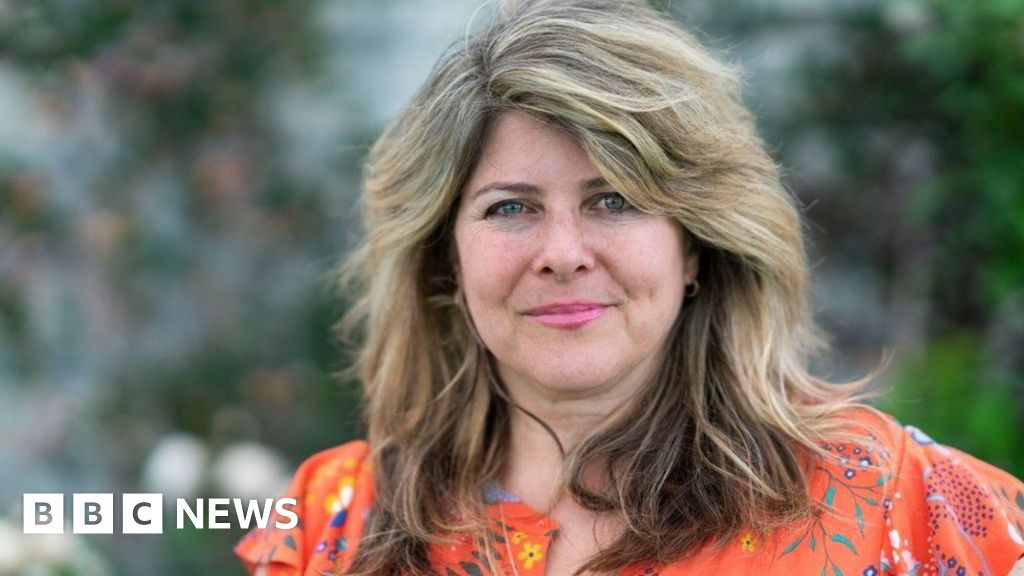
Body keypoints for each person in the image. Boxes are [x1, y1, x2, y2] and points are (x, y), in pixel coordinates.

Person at [235, 1, 1024, 574]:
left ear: (695, 247)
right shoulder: (337, 517)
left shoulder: (891, 501)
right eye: (510, 207)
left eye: (613, 201)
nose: (562, 254)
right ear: (446, 258)